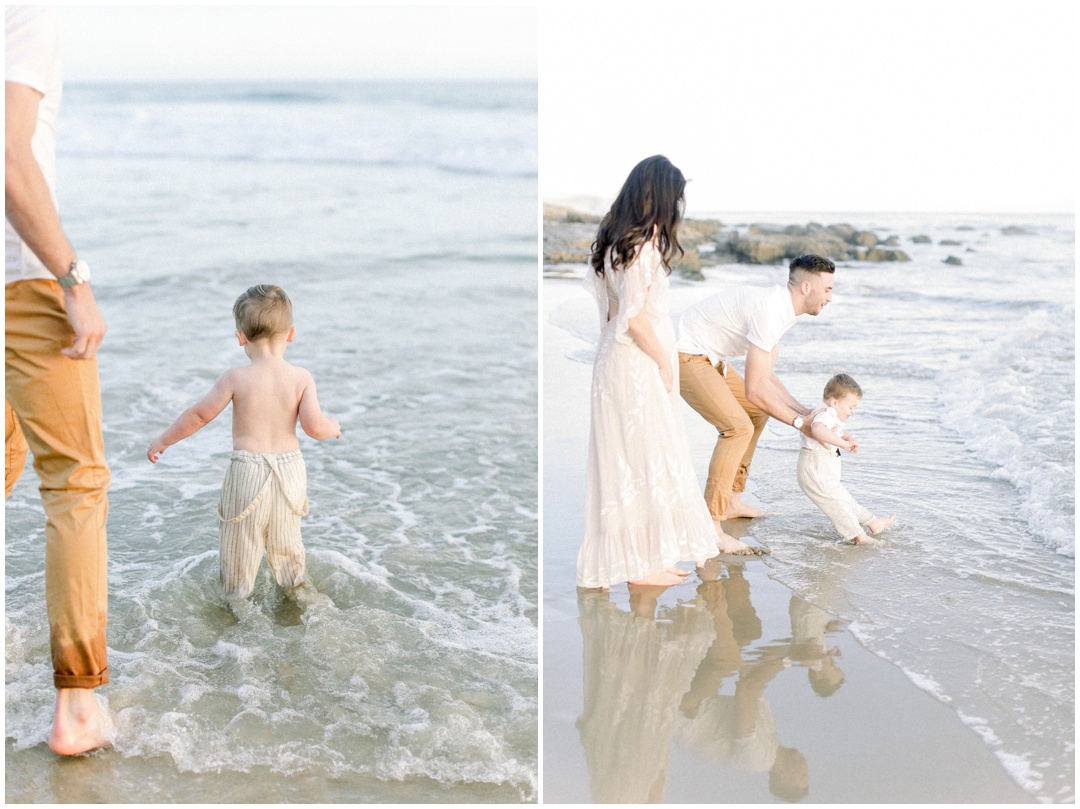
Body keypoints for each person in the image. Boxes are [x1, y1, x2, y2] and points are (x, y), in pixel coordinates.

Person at [5, 5, 112, 755]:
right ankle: (78, 705)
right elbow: (11, 157)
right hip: (21, 279)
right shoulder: (28, 11)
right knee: (75, 479)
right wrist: (70, 274)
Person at [578, 155, 731, 591]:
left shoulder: (614, 243)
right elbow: (634, 318)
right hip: (636, 362)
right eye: (676, 197)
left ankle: (637, 560)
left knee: (626, 460)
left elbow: (609, 315)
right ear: (660, 197)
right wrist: (664, 361)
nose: (678, 207)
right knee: (642, 458)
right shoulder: (642, 248)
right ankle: (640, 567)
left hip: (614, 360)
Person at [147, 285, 341, 598]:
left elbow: (200, 415)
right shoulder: (301, 377)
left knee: (239, 548)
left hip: (248, 470)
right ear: (291, 334)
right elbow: (314, 427)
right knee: (287, 545)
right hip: (290, 471)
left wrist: (163, 440)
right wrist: (333, 426)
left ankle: (236, 607)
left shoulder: (235, 378)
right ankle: (296, 598)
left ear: (241, 337)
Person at [676, 254, 835, 549]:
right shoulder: (771, 312)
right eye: (827, 290)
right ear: (805, 287)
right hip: (686, 355)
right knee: (737, 428)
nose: (830, 298)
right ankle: (710, 524)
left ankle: (732, 500)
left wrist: (804, 411)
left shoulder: (781, 310)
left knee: (755, 415)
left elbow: (765, 377)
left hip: (710, 357)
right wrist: (801, 424)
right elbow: (755, 390)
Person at [796, 373, 895, 545]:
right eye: (850, 407)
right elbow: (818, 430)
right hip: (815, 468)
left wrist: (849, 438)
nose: (852, 411)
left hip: (824, 467)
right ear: (835, 402)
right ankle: (859, 536)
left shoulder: (832, 416)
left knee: (844, 498)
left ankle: (872, 522)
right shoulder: (824, 414)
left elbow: (839, 431)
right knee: (835, 503)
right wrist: (842, 443)